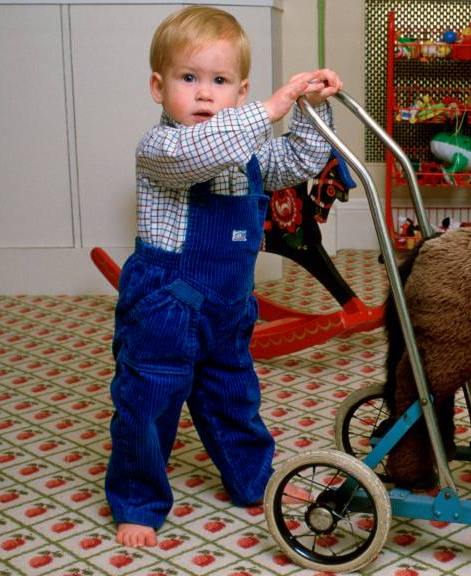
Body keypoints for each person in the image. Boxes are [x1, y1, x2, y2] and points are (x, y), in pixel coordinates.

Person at [105, 5, 343, 548]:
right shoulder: (162, 148)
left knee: (234, 395)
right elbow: (200, 155)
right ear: (157, 87)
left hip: (229, 307)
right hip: (166, 306)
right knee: (148, 403)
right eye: (189, 79)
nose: (205, 94)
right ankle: (138, 501)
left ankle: (253, 479)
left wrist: (307, 107)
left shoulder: (249, 151)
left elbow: (303, 159)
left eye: (220, 81)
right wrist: (267, 109)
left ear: (240, 91)